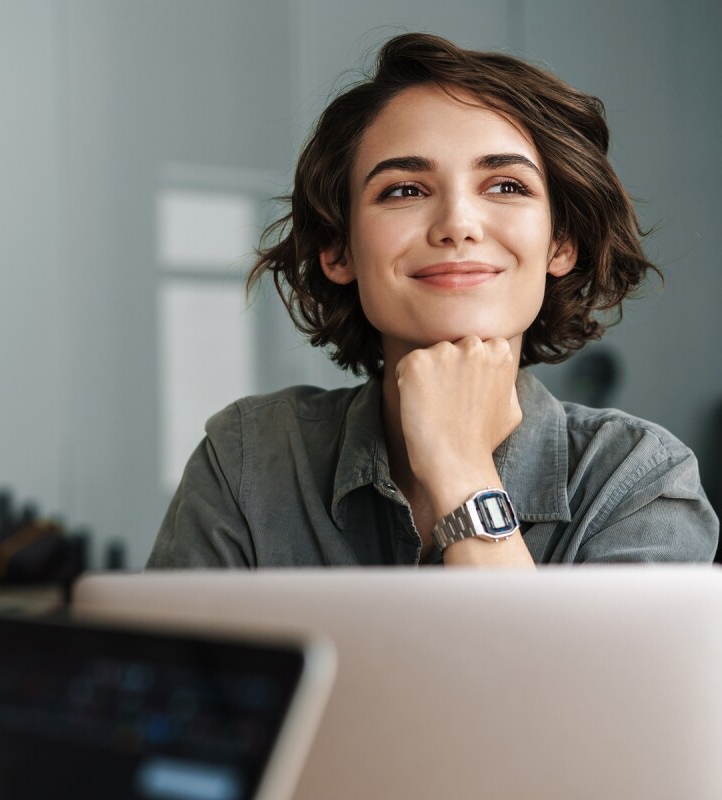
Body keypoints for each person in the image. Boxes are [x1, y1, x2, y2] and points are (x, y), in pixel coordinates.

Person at [148, 32, 718, 569]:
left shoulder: (639, 481)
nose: (457, 225)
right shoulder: (246, 459)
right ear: (337, 249)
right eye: (403, 190)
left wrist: (461, 468)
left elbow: (554, 680)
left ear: (560, 242)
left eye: (506, 186)